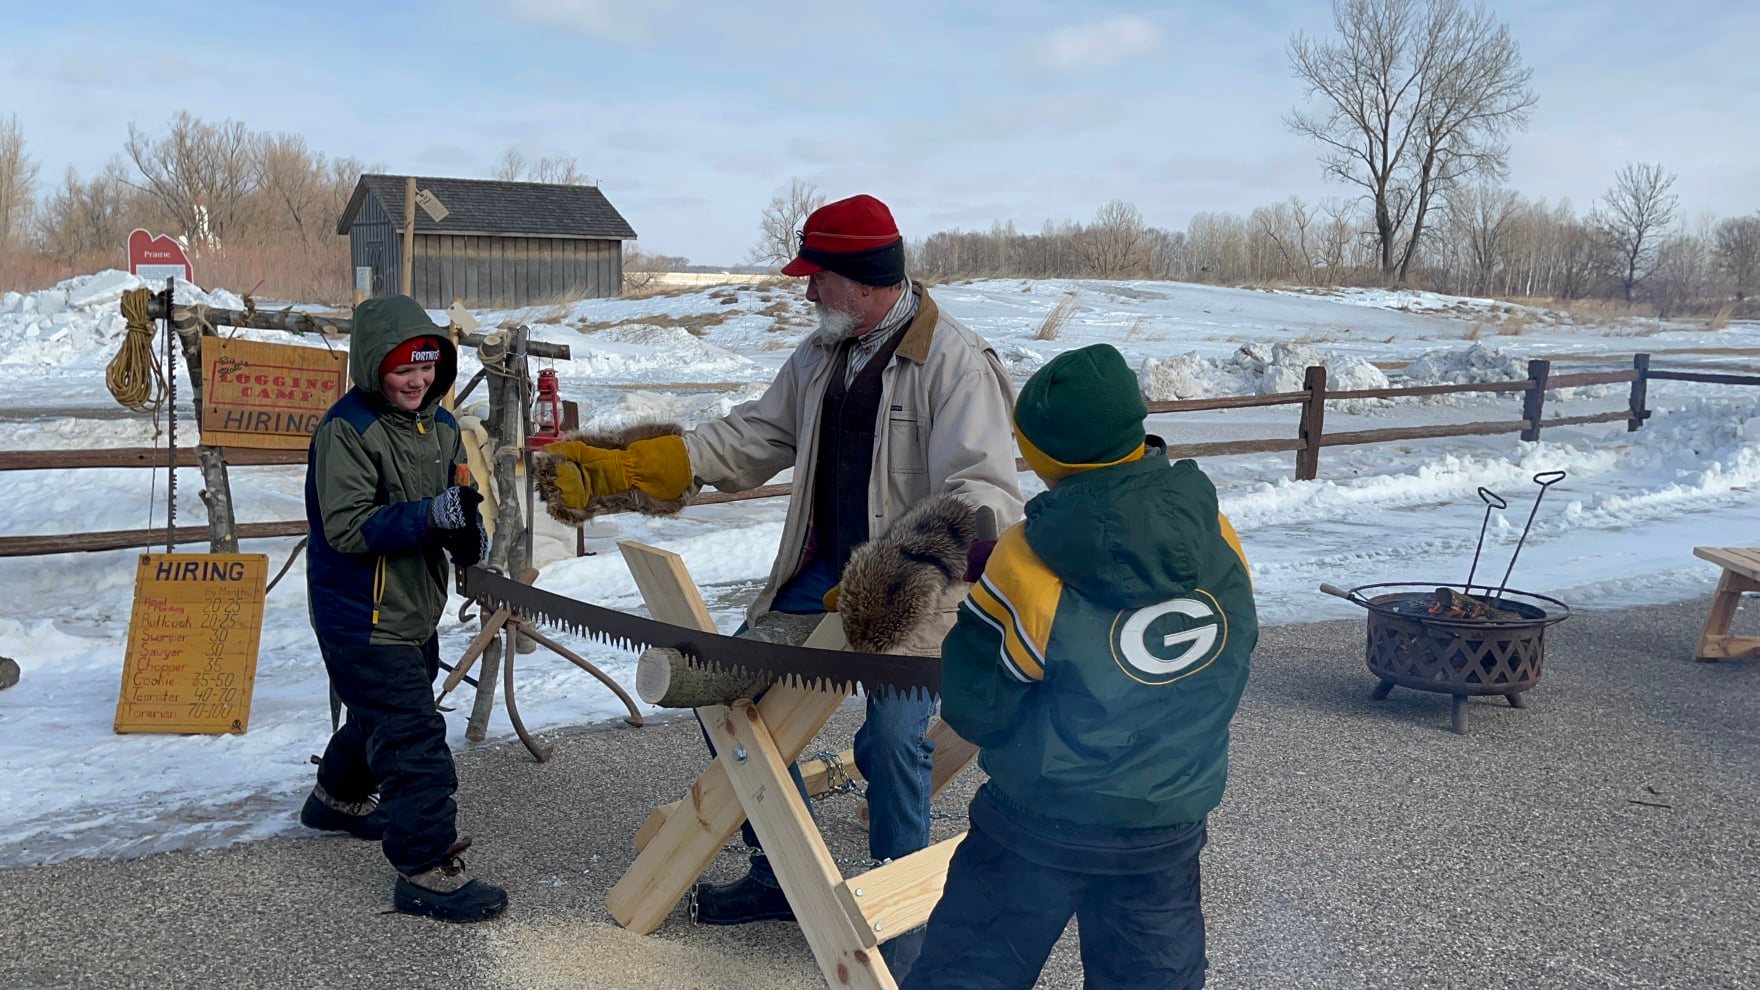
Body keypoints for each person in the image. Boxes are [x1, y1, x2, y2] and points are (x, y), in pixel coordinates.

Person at [535, 194, 1024, 972]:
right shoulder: (819, 356)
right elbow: (753, 439)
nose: (806, 294)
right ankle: (780, 872)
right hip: (815, 579)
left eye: (818, 278)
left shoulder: (955, 363)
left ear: (862, 281)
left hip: (909, 594)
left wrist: (907, 560)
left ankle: (898, 914)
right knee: (723, 693)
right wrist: (633, 468)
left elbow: (987, 493)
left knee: (895, 741)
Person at [902, 344, 1258, 990]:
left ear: (1044, 460)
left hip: (1037, 829)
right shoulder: (1218, 533)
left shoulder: (1026, 562)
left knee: (964, 976)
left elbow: (975, 704)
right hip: (1165, 833)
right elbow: (1231, 659)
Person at [299, 294, 505, 924]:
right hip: (359, 616)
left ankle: (336, 800)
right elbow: (348, 526)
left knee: (381, 716)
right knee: (413, 739)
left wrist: (464, 531)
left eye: (426, 367)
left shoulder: (440, 426)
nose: (417, 380)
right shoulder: (348, 430)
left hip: (413, 608)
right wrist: (430, 516)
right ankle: (425, 870)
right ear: (371, 367)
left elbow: (449, 502)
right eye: (401, 369)